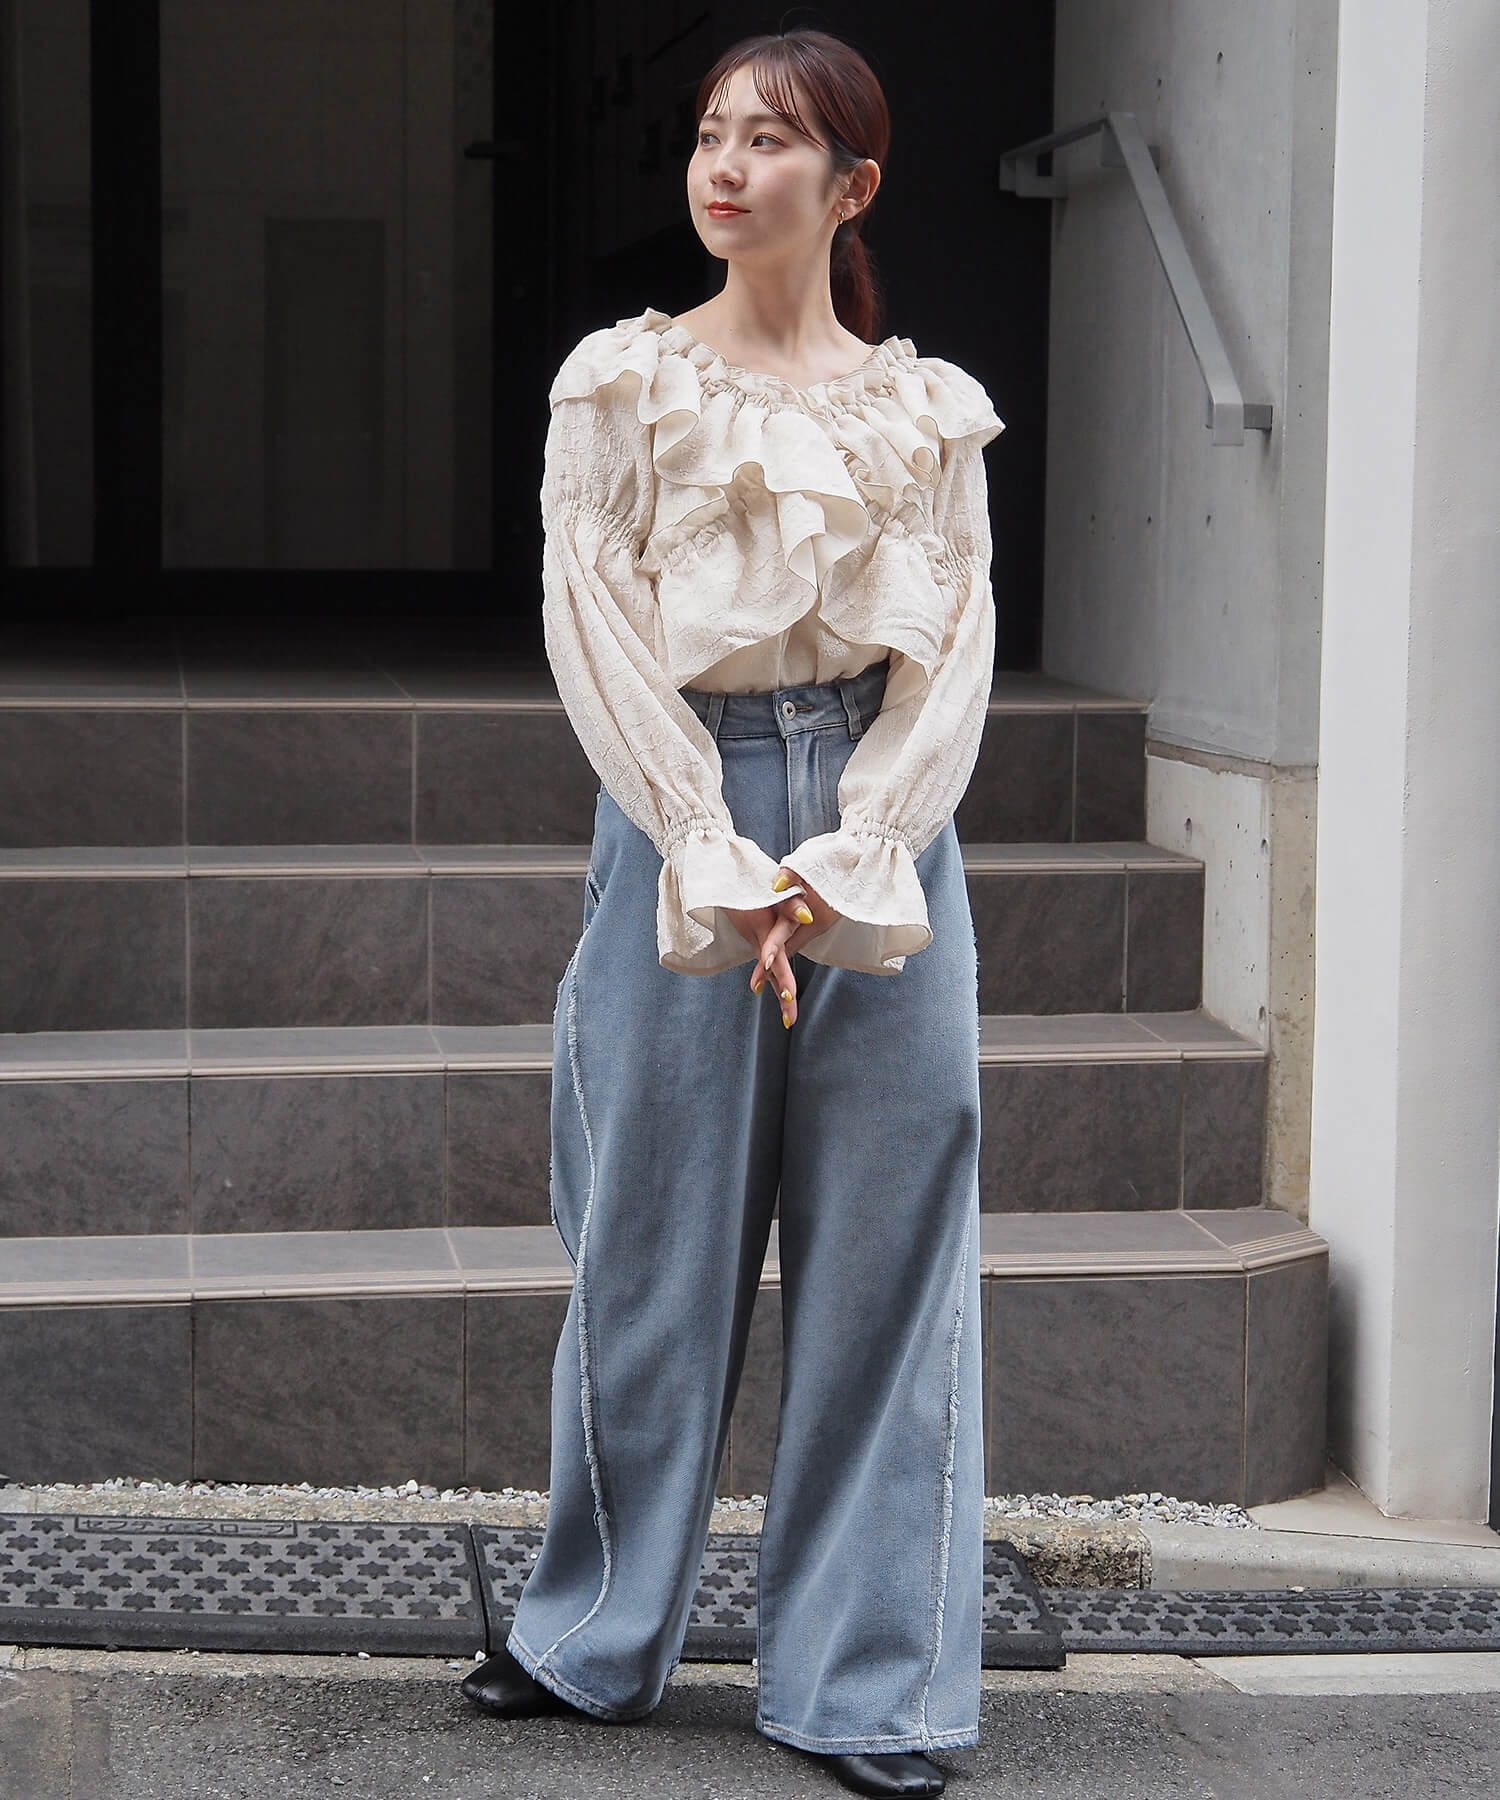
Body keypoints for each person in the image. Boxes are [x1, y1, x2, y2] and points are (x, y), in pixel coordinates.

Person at [460, 27, 1004, 1799]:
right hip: (676, 796)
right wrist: (708, 842)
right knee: (650, 1234)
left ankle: (868, 1688)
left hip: (885, 826)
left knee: (893, 1261)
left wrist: (853, 856)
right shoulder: (621, 385)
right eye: (712, 133)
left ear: (851, 187)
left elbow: (957, 655)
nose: (725, 164)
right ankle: (592, 1633)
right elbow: (594, 626)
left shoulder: (927, 412)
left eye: (771, 140)